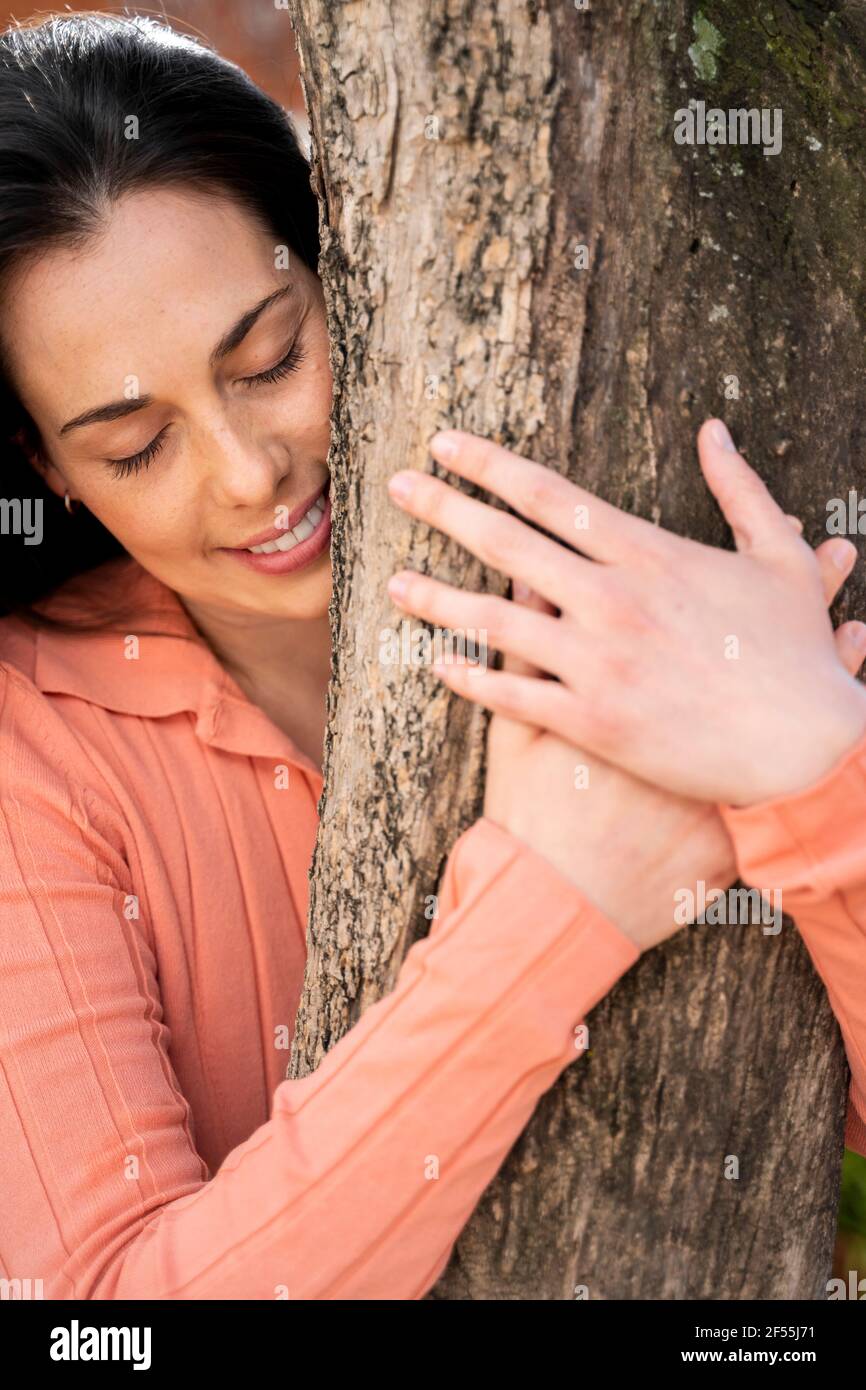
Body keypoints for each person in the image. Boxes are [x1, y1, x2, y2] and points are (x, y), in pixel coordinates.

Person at [0, 12, 862, 1301]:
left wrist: (819, 766)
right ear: (46, 471)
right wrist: (553, 905)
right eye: (134, 448)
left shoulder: (682, 574)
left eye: (274, 357)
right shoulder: (32, 756)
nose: (250, 474)